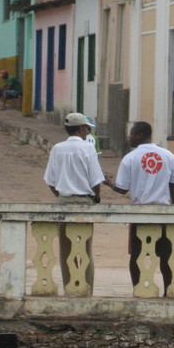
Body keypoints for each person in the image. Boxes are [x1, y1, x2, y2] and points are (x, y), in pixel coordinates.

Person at [104, 121, 174, 294]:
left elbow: (122, 188)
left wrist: (109, 183)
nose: (128, 137)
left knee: (137, 254)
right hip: (163, 213)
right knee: (165, 255)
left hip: (139, 213)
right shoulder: (168, 155)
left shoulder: (130, 158)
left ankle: (138, 289)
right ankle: (168, 290)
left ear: (139, 135)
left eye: (131, 133)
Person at [43, 112, 105, 290]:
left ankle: (69, 286)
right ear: (80, 129)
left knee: (66, 249)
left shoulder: (57, 148)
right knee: (85, 249)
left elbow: (50, 181)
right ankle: (86, 288)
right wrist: (96, 198)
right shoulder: (87, 148)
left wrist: (62, 196)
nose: (88, 131)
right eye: (86, 128)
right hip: (84, 202)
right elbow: (96, 181)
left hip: (63, 202)